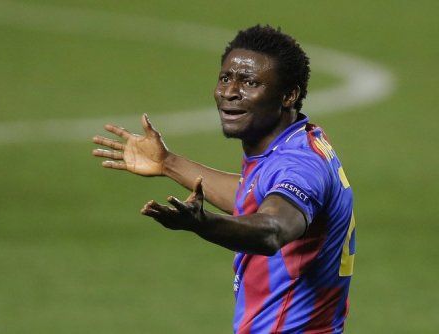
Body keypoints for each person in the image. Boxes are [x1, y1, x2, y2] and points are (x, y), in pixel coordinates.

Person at [92, 24, 355, 334]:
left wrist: (203, 223)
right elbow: (254, 196)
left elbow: (273, 229)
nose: (230, 92)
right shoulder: (298, 141)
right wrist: (168, 163)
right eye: (226, 78)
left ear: (289, 95)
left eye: (250, 82)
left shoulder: (298, 166)